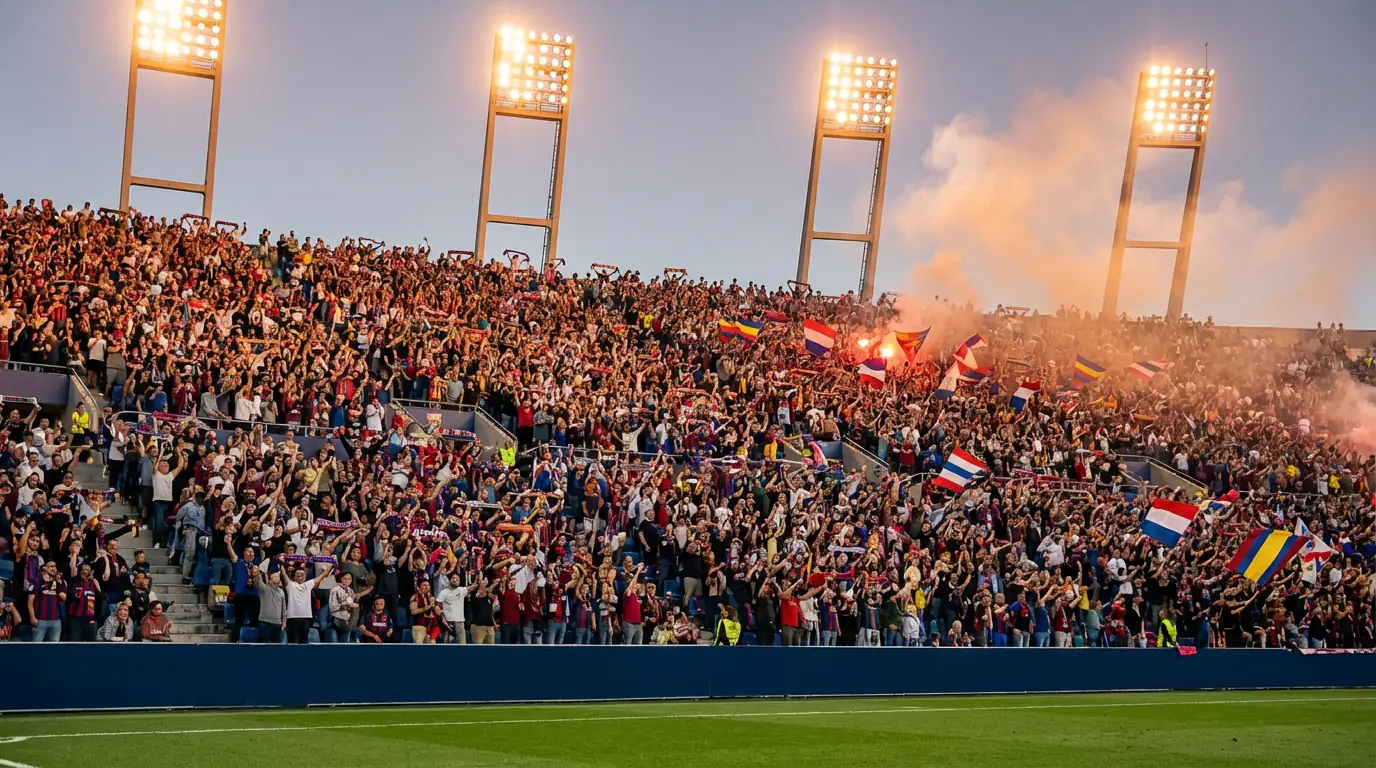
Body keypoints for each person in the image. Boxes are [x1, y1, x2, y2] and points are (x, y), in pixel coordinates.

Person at [284, 563, 332, 644]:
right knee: (291, 643)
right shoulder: (290, 585)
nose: (300, 577)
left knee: (304, 642)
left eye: (302, 575)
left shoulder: (308, 584)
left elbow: (321, 577)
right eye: (297, 575)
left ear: (305, 576)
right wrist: (282, 564)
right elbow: (284, 574)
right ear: (294, 577)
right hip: (292, 618)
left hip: (306, 618)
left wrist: (328, 569)